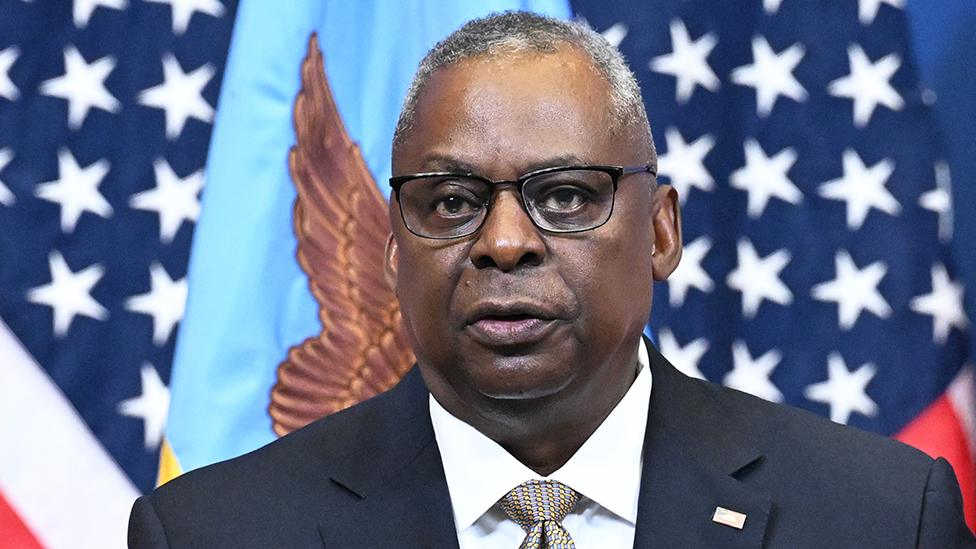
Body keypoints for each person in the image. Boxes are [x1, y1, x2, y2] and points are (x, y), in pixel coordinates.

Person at [128, 11, 974, 548]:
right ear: (392, 250)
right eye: (452, 201)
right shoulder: (214, 532)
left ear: (661, 231)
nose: (503, 242)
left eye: (566, 195)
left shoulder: (880, 519)